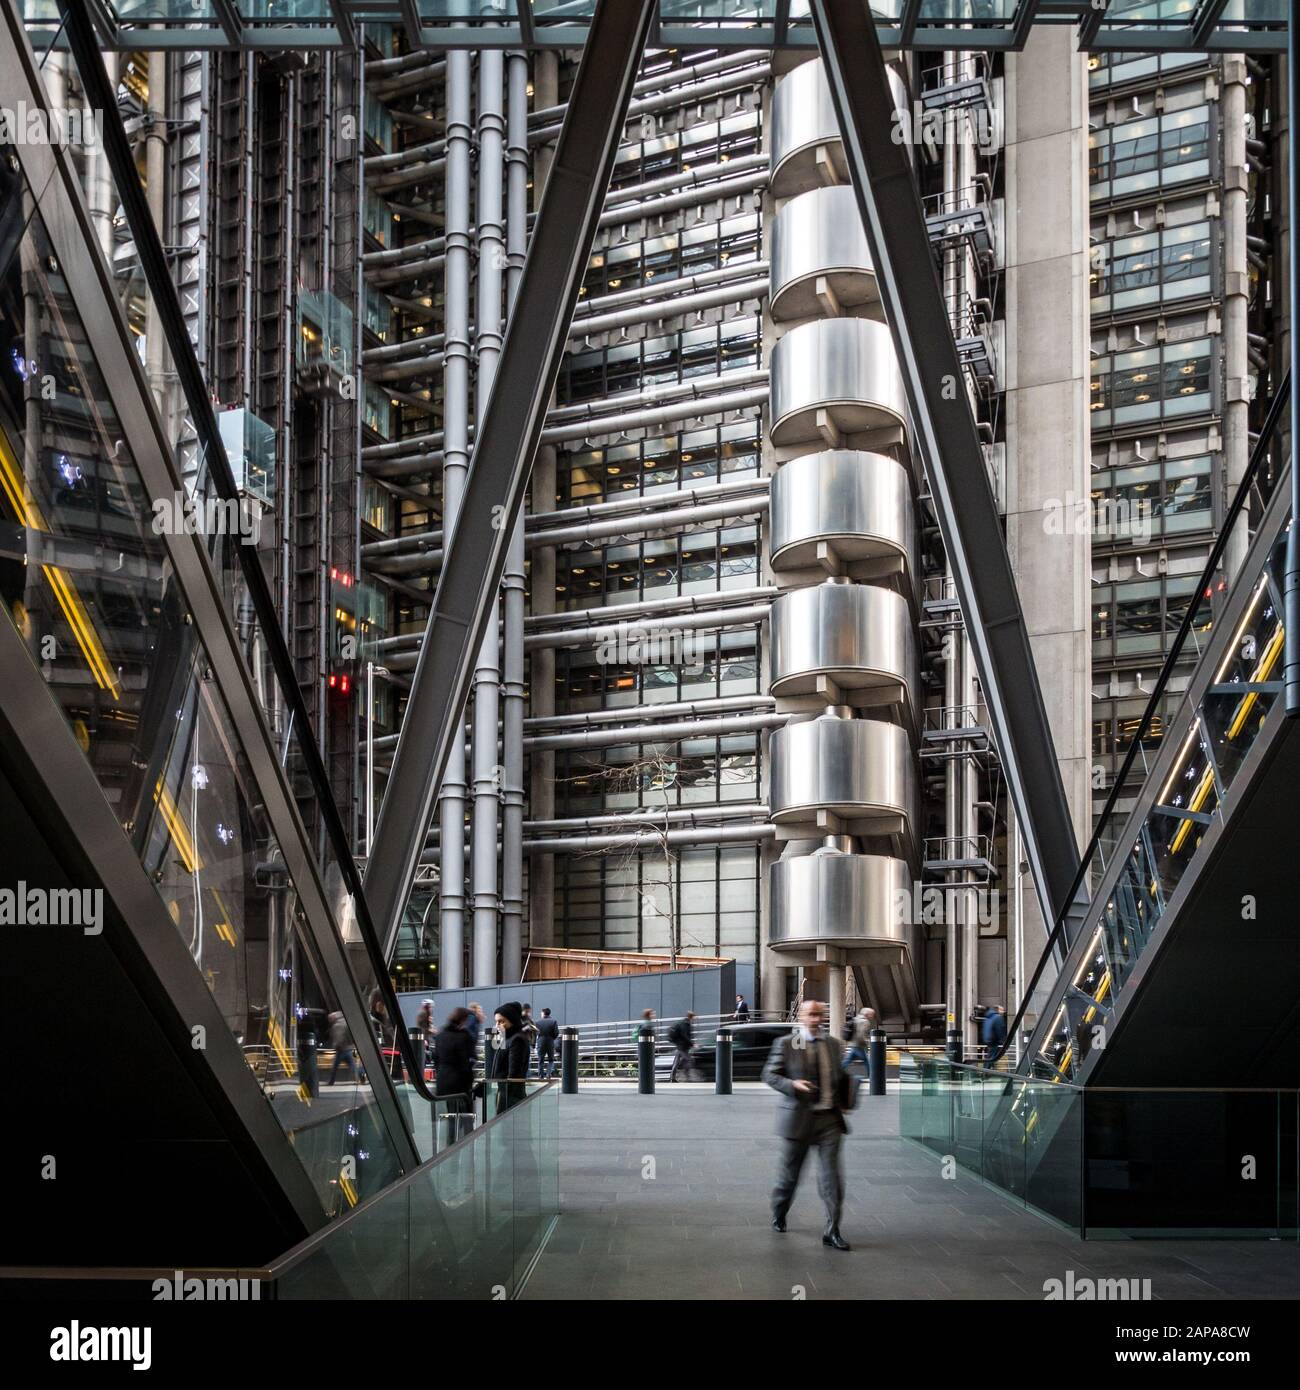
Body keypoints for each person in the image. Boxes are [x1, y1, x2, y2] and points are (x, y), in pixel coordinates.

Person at [763, 999, 855, 1250]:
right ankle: (779, 1212)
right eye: (811, 1014)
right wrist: (792, 1085)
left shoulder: (834, 1045)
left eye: (819, 1014)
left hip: (829, 1120)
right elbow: (769, 1074)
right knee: (789, 1177)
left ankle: (832, 1229)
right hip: (797, 1119)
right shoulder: (787, 1043)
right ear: (801, 1016)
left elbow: (839, 1076)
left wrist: (845, 1097)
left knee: (832, 1177)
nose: (816, 1019)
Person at [486, 1001, 532, 1112]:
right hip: (504, 1091)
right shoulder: (507, 1037)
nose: (497, 1025)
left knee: (512, 1127)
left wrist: (506, 1094)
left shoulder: (517, 1039)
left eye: (501, 1021)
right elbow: (494, 1057)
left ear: (512, 1021)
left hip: (511, 1095)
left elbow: (514, 1073)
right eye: (496, 1022)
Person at [843, 1007, 878, 1080]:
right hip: (860, 1045)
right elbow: (861, 1035)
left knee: (848, 1060)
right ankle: (873, 1077)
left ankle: (837, 1071)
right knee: (867, 1061)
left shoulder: (856, 1019)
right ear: (867, 1014)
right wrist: (867, 1042)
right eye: (871, 1014)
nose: (872, 1016)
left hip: (853, 1044)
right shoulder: (865, 1022)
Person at [326, 1009, 356, 1086]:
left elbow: (338, 1037)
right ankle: (361, 1074)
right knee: (352, 1066)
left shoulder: (337, 1025)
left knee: (335, 1068)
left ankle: (331, 1082)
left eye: (330, 1019)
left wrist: (335, 1045)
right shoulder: (345, 1022)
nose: (329, 1021)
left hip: (341, 1049)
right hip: (348, 1048)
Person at [667, 1011, 699, 1082]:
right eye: (694, 1017)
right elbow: (685, 1035)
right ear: (691, 1017)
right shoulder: (686, 1024)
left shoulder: (685, 1023)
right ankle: (687, 1077)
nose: (694, 1019)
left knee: (677, 1062)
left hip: (682, 1046)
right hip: (682, 1046)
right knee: (688, 1060)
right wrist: (692, 1044)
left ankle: (672, 1078)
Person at [536, 1007, 560, 1079]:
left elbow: (535, 1033)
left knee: (541, 1059)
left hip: (540, 1042)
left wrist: (534, 1043)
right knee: (551, 1059)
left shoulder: (537, 1022)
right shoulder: (553, 1021)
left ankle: (541, 1075)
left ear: (543, 1013)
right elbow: (556, 1033)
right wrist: (552, 1038)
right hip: (550, 1042)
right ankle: (548, 1074)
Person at [520, 1003, 540, 1076]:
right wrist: (527, 1028)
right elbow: (518, 1029)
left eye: (529, 1011)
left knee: (527, 1060)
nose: (528, 1013)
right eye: (527, 1011)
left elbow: (533, 1028)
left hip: (527, 1041)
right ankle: (524, 1076)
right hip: (520, 1041)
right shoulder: (519, 1018)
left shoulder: (529, 1019)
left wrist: (533, 1028)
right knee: (523, 1060)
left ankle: (526, 1076)